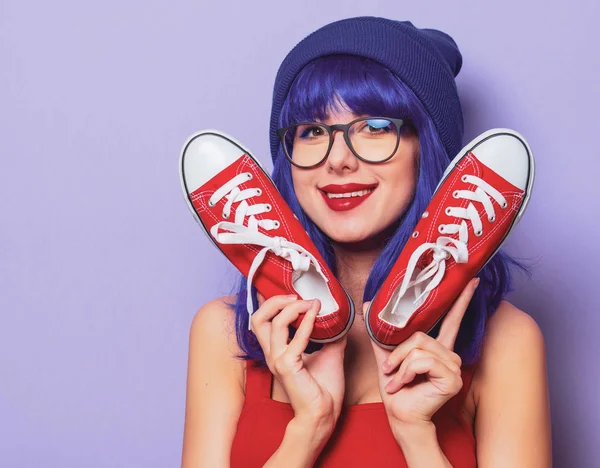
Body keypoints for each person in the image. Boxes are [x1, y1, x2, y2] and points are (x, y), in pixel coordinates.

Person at [181, 16, 552, 468]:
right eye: (312, 131)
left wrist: (417, 437)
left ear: (427, 149)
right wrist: (308, 429)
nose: (337, 160)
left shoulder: (506, 341)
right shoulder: (224, 334)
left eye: (375, 126)